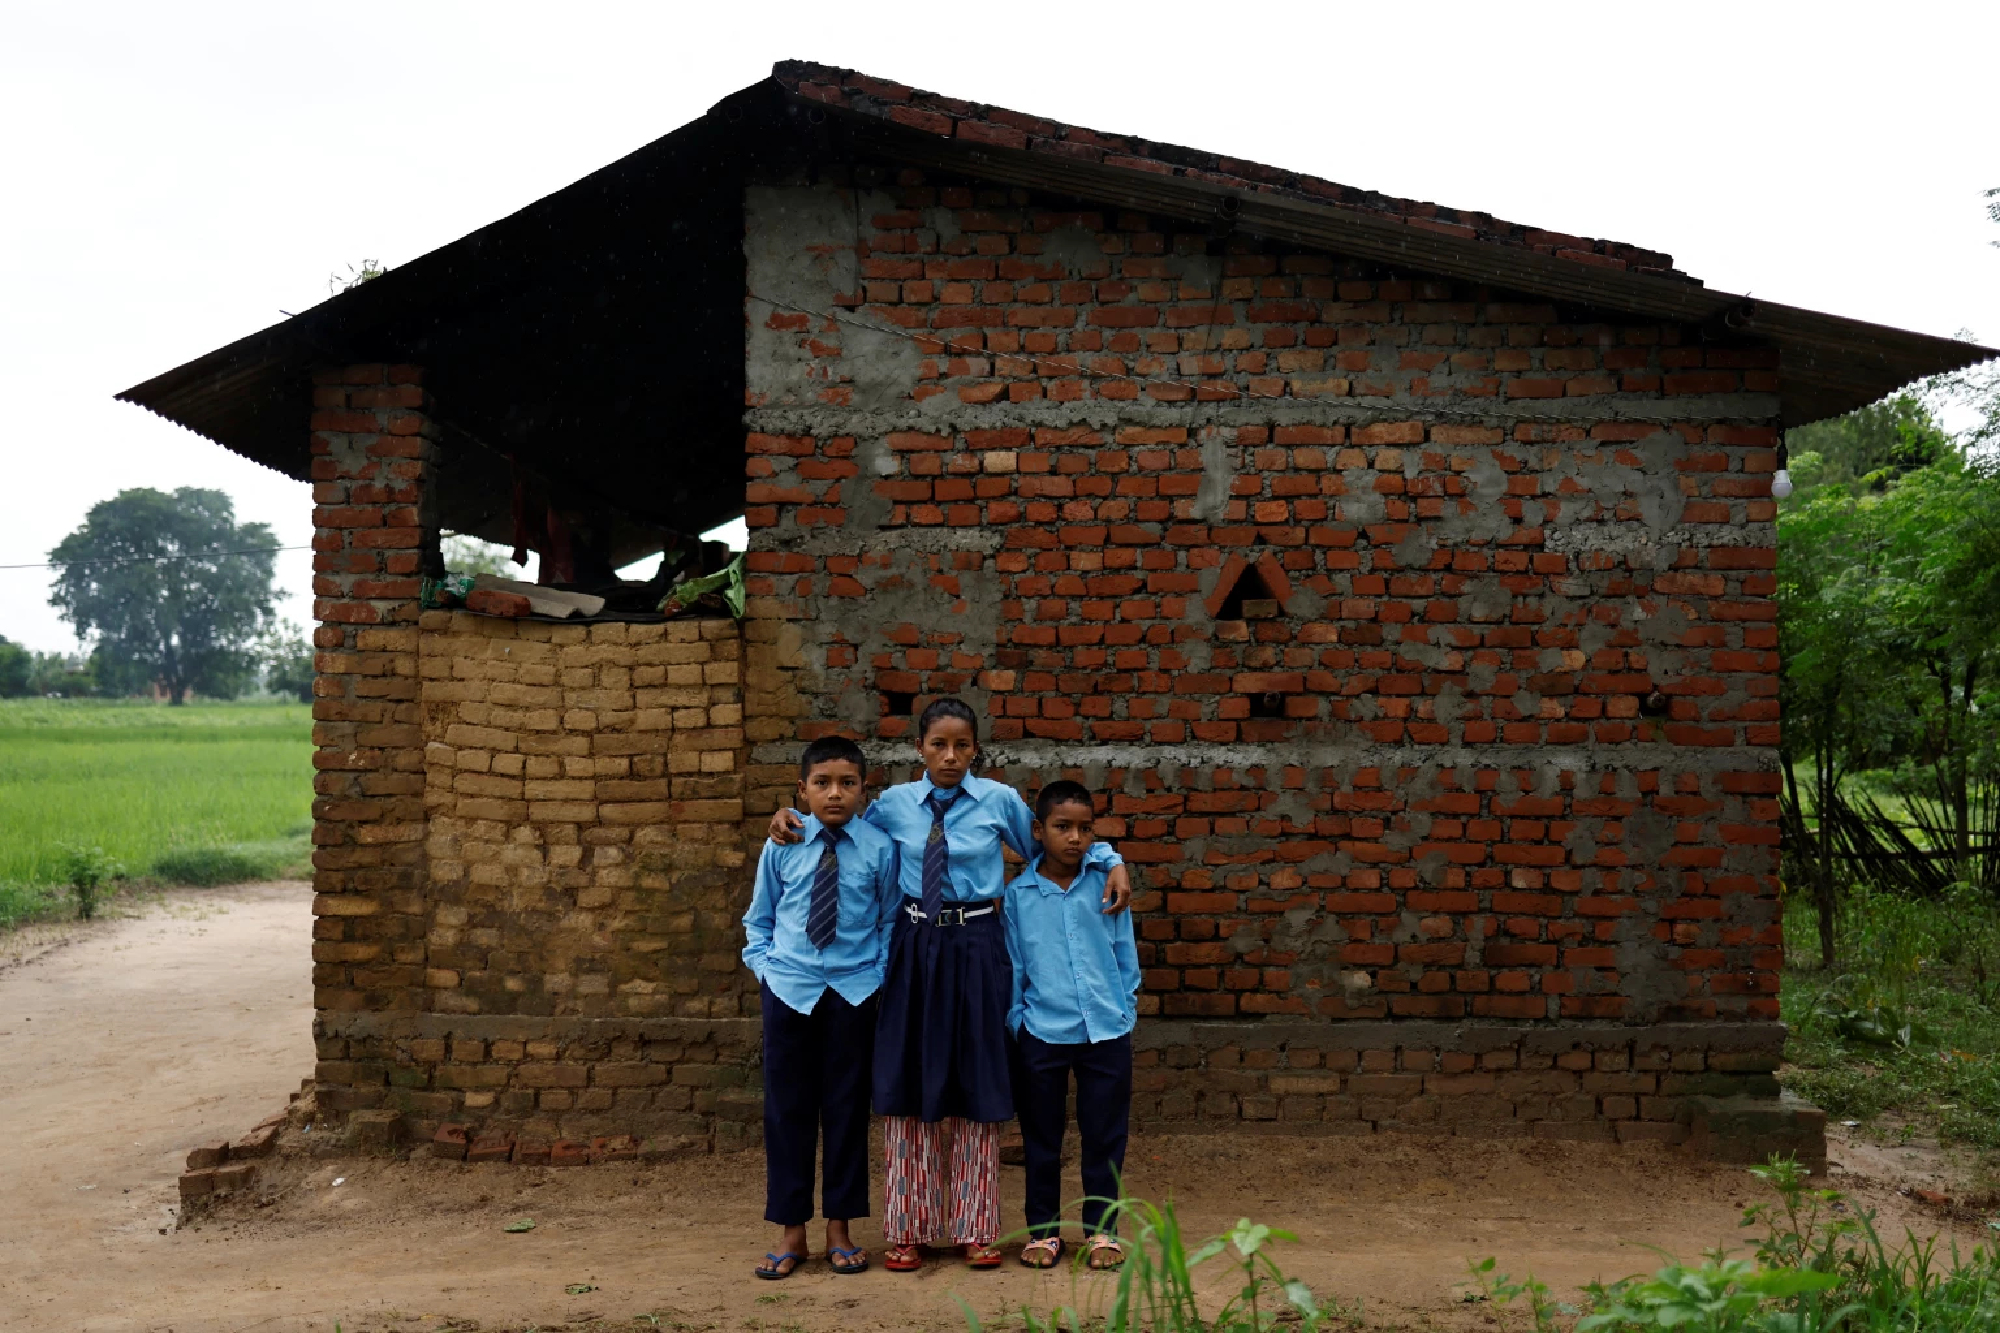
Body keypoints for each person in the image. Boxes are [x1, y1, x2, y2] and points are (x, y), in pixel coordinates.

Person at [767, 698, 1132, 1272]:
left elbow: (1054, 849)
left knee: (976, 1080)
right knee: (906, 1080)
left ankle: (973, 1225)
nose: (950, 756)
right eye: (939, 744)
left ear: (976, 750)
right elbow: (842, 830)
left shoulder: (999, 802)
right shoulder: (893, 806)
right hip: (913, 946)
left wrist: (1110, 857)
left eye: (962, 745)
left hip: (979, 943)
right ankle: (908, 1226)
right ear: (919, 748)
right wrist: (788, 818)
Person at [741, 736, 901, 1279]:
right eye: (822, 783)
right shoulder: (783, 843)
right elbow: (758, 919)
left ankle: (840, 1227)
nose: (835, 794)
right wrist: (767, 970)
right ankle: (791, 1231)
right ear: (802, 790)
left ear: (863, 789)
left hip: (853, 992)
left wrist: (875, 977)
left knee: (846, 1109)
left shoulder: (879, 848)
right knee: (787, 1110)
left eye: (847, 783)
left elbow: (886, 922)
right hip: (789, 989)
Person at [1004, 780, 1140, 1271]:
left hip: (1106, 1030)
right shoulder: (1019, 896)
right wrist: (1020, 1023)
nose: (1075, 838)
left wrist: (1125, 1009)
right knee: (1042, 1139)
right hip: (1042, 1032)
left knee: (1104, 1137)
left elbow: (1124, 952)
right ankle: (1043, 1232)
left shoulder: (1105, 882)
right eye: (1063, 827)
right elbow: (1015, 965)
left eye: (1086, 828)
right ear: (1039, 831)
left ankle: (1102, 1232)